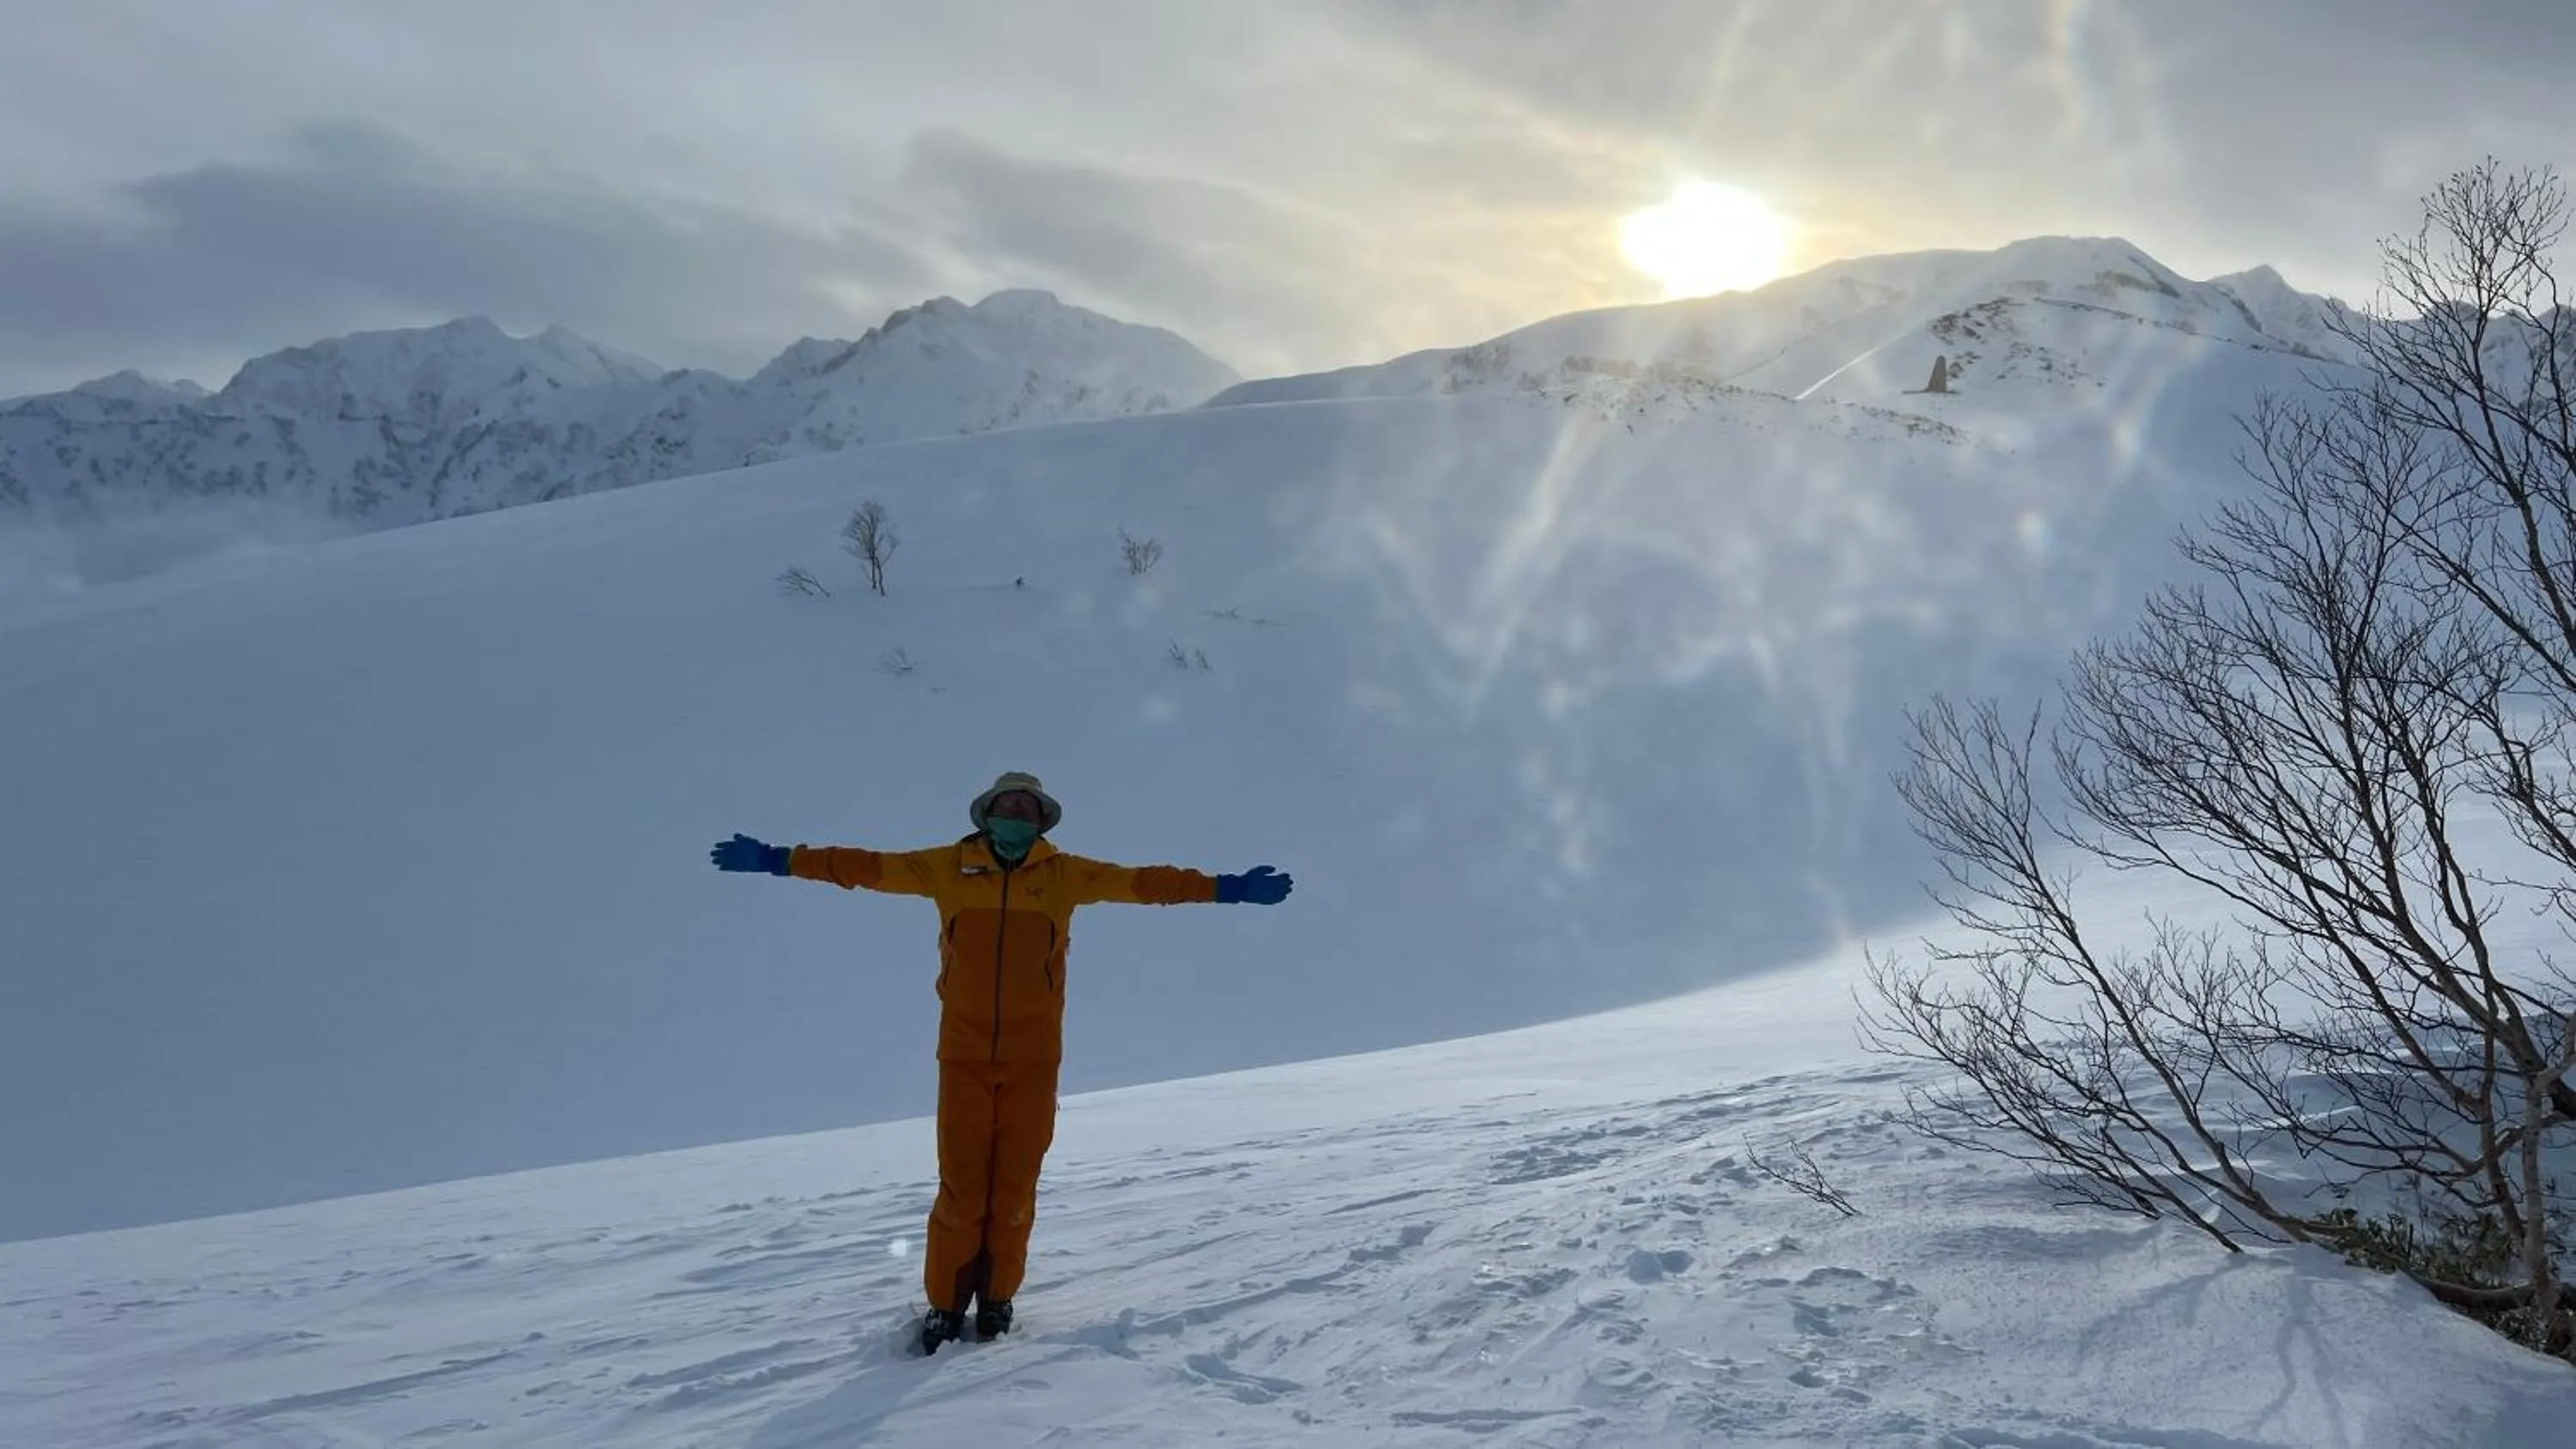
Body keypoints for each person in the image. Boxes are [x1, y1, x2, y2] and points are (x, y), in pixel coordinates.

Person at [709, 771, 1293, 1355]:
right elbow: (862, 867)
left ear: (1042, 820)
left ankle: (996, 1299)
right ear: (985, 814)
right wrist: (778, 858)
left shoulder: (1066, 876)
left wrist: (1227, 888)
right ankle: (944, 1306)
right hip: (962, 1055)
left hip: (1034, 1059)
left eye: (1027, 805)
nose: (1016, 811)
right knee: (962, 1189)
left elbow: (1145, 883)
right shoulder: (946, 868)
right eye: (1007, 803)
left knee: (1013, 1191)